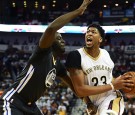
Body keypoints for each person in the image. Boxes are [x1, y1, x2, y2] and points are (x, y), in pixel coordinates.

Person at [0, 0, 93, 114]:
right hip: (14, 101)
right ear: (51, 41)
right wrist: (78, 11)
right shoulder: (43, 52)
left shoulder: (58, 65)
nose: (63, 41)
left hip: (31, 107)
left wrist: (88, 102)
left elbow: (75, 87)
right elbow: (51, 29)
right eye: (59, 38)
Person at [65, 23, 134, 115]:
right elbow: (80, 90)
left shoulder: (109, 55)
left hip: (112, 97)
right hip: (94, 103)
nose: (89, 33)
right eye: (88, 32)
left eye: (93, 32)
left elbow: (108, 77)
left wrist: (124, 84)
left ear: (100, 39)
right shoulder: (76, 56)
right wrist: (89, 102)